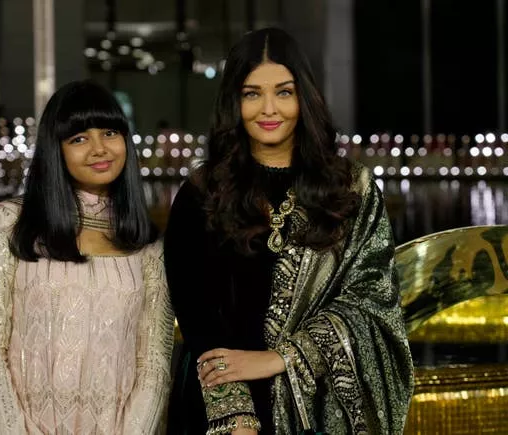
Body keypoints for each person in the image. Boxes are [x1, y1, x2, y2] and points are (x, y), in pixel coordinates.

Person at [164, 28, 414, 435]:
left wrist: (282, 357)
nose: (268, 109)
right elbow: (197, 314)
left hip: (318, 407)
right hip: (220, 401)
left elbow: (372, 301)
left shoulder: (350, 190)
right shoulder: (204, 191)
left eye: (284, 92)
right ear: (233, 100)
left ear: (305, 97)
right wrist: (234, 415)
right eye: (251, 93)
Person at [0, 80, 174, 434]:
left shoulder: (147, 244)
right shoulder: (11, 224)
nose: (99, 149)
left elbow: (155, 363)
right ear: (55, 150)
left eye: (109, 133)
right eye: (79, 139)